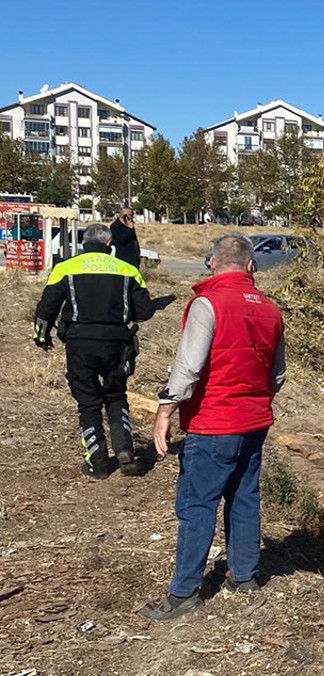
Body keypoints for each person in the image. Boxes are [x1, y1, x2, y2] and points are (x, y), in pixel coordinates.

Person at [142, 233, 286, 621]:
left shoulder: (207, 304)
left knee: (197, 504)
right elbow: (278, 375)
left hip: (213, 421)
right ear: (252, 266)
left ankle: (184, 592)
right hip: (254, 422)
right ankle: (243, 575)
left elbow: (188, 367)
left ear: (211, 263)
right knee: (243, 497)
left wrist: (165, 411)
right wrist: (255, 399)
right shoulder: (271, 311)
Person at [33, 223, 154, 478]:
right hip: (118, 343)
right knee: (116, 395)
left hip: (80, 343)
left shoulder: (65, 268)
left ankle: (97, 464)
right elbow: (145, 311)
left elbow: (47, 307)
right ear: (109, 245)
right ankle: (125, 451)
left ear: (83, 244)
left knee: (88, 403)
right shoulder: (128, 269)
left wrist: (41, 337)